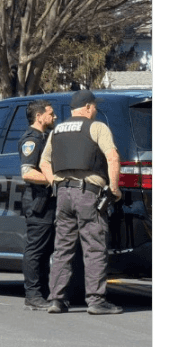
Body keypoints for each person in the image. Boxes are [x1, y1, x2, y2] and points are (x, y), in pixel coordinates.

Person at [40, 90, 123, 315]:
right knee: (94, 248)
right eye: (94, 106)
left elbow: (44, 162)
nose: (95, 110)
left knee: (62, 249)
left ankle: (56, 299)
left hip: (63, 195)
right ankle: (96, 301)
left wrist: (56, 184)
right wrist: (114, 188)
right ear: (87, 107)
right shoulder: (97, 127)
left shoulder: (57, 130)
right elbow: (113, 157)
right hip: (88, 194)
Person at [18, 99, 57, 311]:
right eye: (50, 113)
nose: (54, 117)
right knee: (35, 250)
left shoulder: (45, 137)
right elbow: (28, 172)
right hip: (38, 202)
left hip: (49, 202)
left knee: (45, 250)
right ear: (39, 116)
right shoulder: (31, 139)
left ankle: (43, 292)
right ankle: (32, 294)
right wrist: (54, 180)